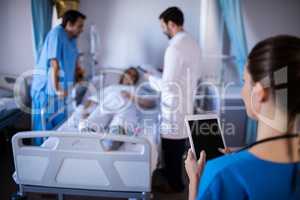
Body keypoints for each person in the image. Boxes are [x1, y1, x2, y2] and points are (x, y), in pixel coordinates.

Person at [185, 35, 300, 200]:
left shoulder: (221, 176)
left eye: (245, 81)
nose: (242, 92)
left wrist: (195, 181)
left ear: (260, 93)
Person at [145, 7, 201, 192]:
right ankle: (174, 179)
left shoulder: (174, 47)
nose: (163, 31)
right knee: (177, 150)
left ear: (171, 24)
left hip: (174, 109)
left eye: (163, 26)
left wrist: (150, 78)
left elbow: (168, 85)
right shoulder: (192, 42)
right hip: (184, 104)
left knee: (171, 149)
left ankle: (174, 186)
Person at [31, 10, 86, 140]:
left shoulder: (72, 39)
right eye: (79, 26)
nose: (82, 29)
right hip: (47, 88)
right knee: (44, 126)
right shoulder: (56, 34)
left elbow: (74, 62)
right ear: (69, 24)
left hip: (61, 89)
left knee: (59, 123)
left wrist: (79, 76)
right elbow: (54, 63)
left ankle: (56, 151)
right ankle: (40, 154)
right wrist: (56, 88)